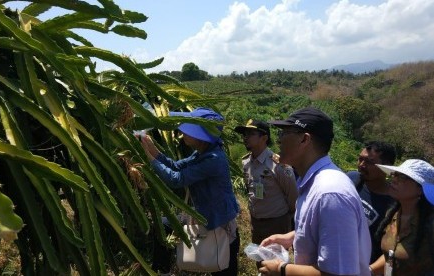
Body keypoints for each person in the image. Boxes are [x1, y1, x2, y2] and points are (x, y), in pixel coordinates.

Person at [258, 107, 371, 276]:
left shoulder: (330, 193)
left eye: (284, 133)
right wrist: (293, 237)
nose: (279, 140)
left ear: (304, 140)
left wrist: (281, 269)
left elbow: (339, 273)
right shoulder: (312, 183)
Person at [140, 107, 240, 275]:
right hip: (204, 216)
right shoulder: (201, 153)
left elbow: (176, 179)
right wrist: (153, 149)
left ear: (201, 135)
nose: (182, 132)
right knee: (163, 224)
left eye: (189, 129)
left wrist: (148, 158)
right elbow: (175, 166)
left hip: (220, 225)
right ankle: (162, 270)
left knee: (221, 267)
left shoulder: (214, 159)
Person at [234, 119, 297, 247]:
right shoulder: (246, 162)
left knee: (276, 263)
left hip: (276, 223)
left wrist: (287, 218)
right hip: (256, 222)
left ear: (264, 138)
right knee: (260, 262)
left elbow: (293, 196)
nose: (245, 137)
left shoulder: (278, 165)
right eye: (244, 134)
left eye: (251, 134)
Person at [369, 159, 434, 275]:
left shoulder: (430, 224)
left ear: (420, 189)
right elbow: (392, 256)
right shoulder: (392, 214)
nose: (394, 180)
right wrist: (370, 270)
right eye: (395, 175)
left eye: (403, 177)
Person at [347, 141, 397, 263]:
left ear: (387, 167)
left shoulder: (395, 203)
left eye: (369, 162)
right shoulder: (351, 179)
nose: (361, 165)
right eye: (360, 159)